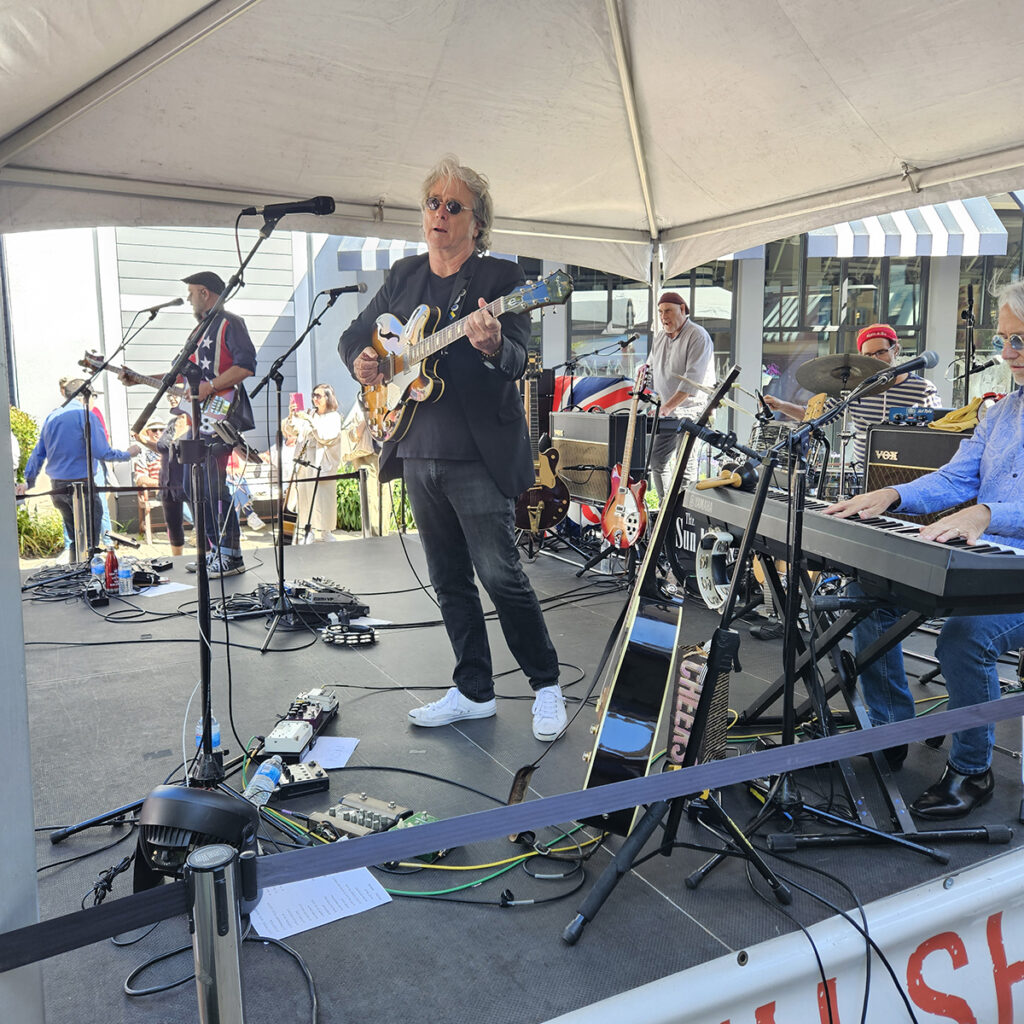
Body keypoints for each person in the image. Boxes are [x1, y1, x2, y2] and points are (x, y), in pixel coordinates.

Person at [339, 155, 564, 742]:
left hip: (477, 453)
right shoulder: (404, 275)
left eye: (453, 205)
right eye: (433, 203)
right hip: (417, 446)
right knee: (448, 578)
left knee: (500, 573)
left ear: (477, 222)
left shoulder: (503, 280)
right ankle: (473, 690)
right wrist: (363, 360)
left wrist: (491, 347)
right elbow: (354, 335)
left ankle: (546, 684)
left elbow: (518, 359)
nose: (439, 212)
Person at [823, 283, 1024, 819]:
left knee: (965, 639)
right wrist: (892, 495)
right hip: (984, 558)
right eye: (1003, 340)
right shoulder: (1000, 413)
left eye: (1020, 341)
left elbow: (984, 506)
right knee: (867, 595)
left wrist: (989, 514)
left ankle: (972, 769)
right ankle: (890, 732)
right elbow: (956, 478)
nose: (1007, 354)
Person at [126, 271, 257, 577]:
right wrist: (139, 379)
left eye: (191, 293)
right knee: (192, 486)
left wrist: (210, 386)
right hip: (196, 421)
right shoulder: (198, 332)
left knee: (212, 485)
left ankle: (231, 554)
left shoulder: (230, 323)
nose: (188, 299)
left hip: (221, 413)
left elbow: (246, 366)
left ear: (205, 293)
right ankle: (212, 551)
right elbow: (180, 375)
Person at [764, 323, 941, 466]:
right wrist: (781, 405)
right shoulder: (856, 389)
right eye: (868, 355)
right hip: (863, 475)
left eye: (881, 352)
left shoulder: (922, 389)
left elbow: (939, 432)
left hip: (907, 474)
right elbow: (816, 416)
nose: (875, 359)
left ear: (895, 350)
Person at [18, 378, 139, 562]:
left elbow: (38, 453)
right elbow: (101, 452)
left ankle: (76, 571)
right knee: (90, 542)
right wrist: (127, 454)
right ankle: (88, 573)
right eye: (94, 397)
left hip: (58, 487)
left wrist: (28, 481)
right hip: (82, 486)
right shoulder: (87, 416)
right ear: (86, 396)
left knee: (75, 538)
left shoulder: (52, 417)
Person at [647, 291, 715, 501]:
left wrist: (667, 407)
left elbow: (691, 382)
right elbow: (650, 370)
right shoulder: (660, 337)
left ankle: (682, 512)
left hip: (692, 411)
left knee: (684, 465)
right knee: (657, 460)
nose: (663, 316)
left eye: (668, 311)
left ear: (683, 309)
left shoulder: (698, 336)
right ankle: (665, 507)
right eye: (660, 312)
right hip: (667, 411)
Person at [283, 383, 343, 543]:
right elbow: (292, 431)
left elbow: (326, 436)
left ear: (328, 397)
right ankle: (308, 530)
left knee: (323, 497)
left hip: (322, 462)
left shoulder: (334, 416)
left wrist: (309, 420)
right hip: (304, 460)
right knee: (305, 497)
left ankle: (325, 531)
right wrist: (292, 415)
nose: (315, 398)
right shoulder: (310, 413)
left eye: (318, 395)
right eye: (313, 395)